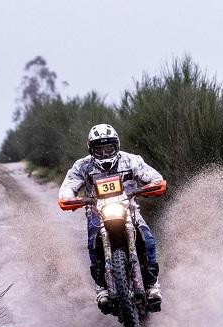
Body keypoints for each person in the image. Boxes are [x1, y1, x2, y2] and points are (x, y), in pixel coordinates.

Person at [58, 123, 163, 312]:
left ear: (117, 145)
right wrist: (69, 198)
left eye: (109, 148)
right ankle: (101, 287)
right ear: (91, 149)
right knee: (93, 244)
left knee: (147, 238)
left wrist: (152, 185)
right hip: (97, 212)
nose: (105, 153)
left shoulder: (131, 160)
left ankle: (152, 285)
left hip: (129, 208)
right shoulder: (82, 166)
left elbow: (153, 176)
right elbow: (68, 186)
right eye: (99, 149)